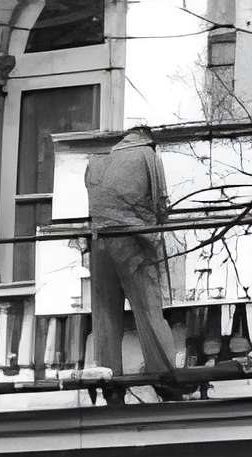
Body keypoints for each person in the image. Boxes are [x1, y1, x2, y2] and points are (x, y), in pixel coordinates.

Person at [82, 125, 185, 380]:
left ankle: (108, 377)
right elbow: (160, 202)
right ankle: (163, 374)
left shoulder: (96, 161)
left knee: (105, 312)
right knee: (149, 309)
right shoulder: (147, 155)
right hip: (134, 241)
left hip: (99, 242)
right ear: (147, 139)